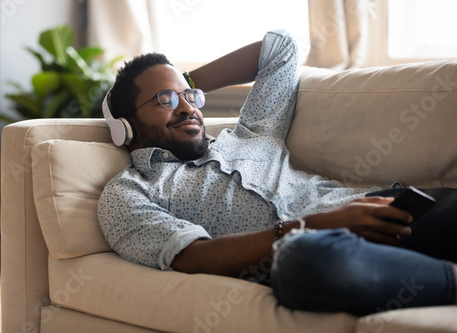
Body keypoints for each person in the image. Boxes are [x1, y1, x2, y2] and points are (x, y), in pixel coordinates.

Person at [98, 30, 457, 316]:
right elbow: (195, 256)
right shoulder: (128, 193)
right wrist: (321, 225)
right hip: (310, 251)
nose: (188, 108)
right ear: (125, 127)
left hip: (375, 208)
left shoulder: (253, 132)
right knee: (304, 263)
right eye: (166, 99)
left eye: (191, 96)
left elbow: (279, 47)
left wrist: (182, 80)